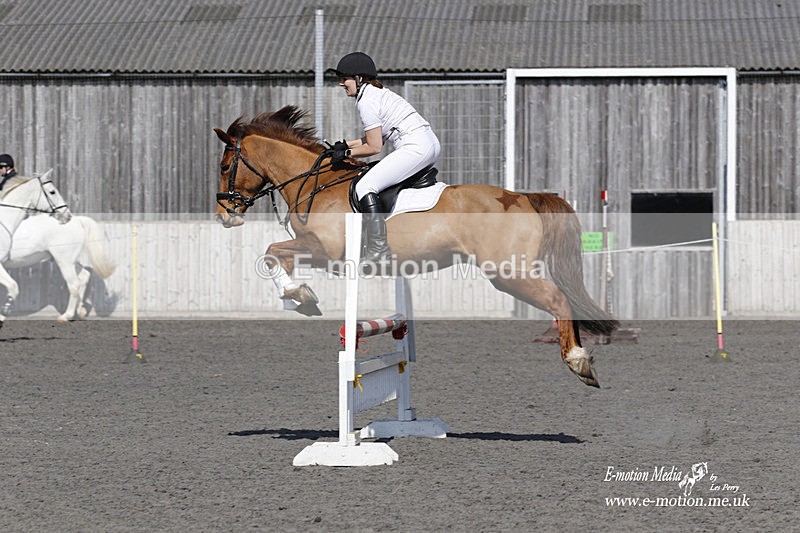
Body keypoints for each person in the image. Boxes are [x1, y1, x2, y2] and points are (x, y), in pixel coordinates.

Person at [326, 52, 441, 263]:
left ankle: (379, 249)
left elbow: (374, 146)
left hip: (415, 147)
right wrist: (345, 145)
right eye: (339, 79)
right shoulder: (377, 93)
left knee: (364, 186)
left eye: (345, 78)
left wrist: (347, 154)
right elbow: (372, 137)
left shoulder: (366, 102)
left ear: (359, 78)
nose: (341, 84)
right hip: (428, 144)